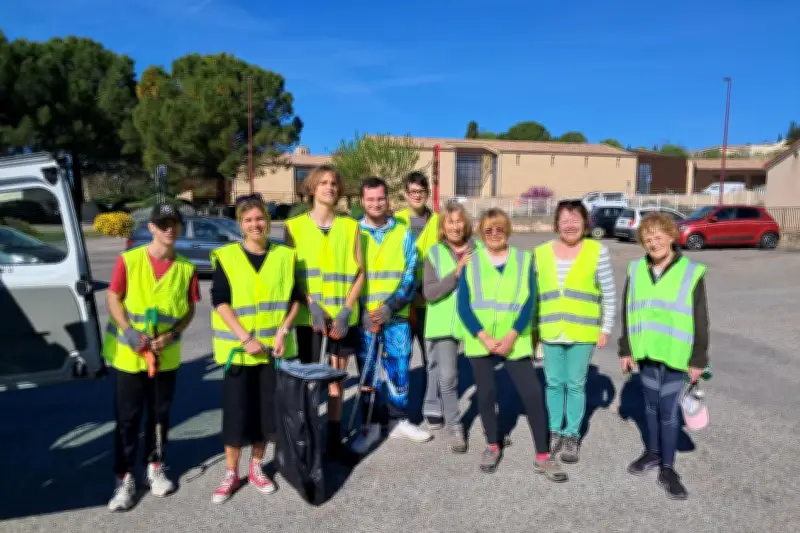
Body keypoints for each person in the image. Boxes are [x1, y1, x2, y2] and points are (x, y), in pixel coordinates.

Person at [457, 208, 567, 481]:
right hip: (480, 339)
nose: (495, 234)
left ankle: (543, 456)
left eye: (499, 228)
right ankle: (493, 445)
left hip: (514, 339)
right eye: (489, 230)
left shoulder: (523, 259)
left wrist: (511, 336)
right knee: (486, 393)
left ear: (507, 230)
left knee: (532, 395)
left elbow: (530, 301)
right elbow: (463, 306)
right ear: (481, 234)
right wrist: (485, 337)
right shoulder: (471, 262)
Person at [104, 203, 200, 511]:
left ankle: (155, 467)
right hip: (131, 357)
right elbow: (113, 297)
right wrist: (130, 332)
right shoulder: (129, 260)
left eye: (174, 223)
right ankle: (124, 478)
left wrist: (172, 334)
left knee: (160, 418)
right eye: (163, 223)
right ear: (152, 228)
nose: (169, 228)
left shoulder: (186, 267)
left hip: (165, 357)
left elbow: (189, 309)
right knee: (128, 420)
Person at [210, 196, 300, 504]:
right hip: (239, 351)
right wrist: (244, 337)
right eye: (248, 220)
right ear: (240, 225)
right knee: (236, 415)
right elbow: (220, 300)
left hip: (272, 353)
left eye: (259, 218)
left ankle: (257, 465)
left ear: (267, 220)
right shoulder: (226, 257)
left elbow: (295, 298)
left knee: (265, 416)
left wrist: (284, 330)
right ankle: (231, 472)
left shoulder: (285, 256)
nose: (255, 225)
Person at [618, 212, 709, 501]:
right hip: (646, 352)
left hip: (675, 354)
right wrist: (625, 349)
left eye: (659, 236)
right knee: (650, 407)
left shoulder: (690, 272)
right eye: (647, 238)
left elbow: (700, 317)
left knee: (669, 411)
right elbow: (627, 310)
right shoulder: (635, 270)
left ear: (671, 236)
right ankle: (653, 453)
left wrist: (698, 359)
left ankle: (668, 468)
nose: (653, 242)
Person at [284, 165, 364, 462]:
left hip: (341, 320)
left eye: (333, 183)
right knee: (312, 381)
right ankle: (308, 437)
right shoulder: (294, 227)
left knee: (336, 381)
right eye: (323, 183)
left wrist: (346, 311)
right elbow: (290, 274)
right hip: (311, 321)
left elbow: (360, 273)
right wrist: (311, 305)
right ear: (312, 189)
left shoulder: (351, 226)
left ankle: (332, 438)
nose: (329, 187)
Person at [349, 177, 433, 454]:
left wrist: (391, 307)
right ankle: (371, 426)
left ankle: (398, 421)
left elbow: (410, 273)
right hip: (365, 319)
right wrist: (361, 311)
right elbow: (347, 277)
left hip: (395, 315)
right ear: (362, 202)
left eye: (381, 199)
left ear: (388, 200)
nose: (376, 204)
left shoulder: (403, 232)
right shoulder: (352, 234)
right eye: (370, 199)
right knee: (369, 373)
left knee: (399, 368)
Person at [533, 199, 616, 464]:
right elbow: (535, 296)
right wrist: (534, 331)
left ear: (585, 223)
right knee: (554, 383)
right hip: (550, 328)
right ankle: (555, 430)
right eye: (564, 220)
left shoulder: (597, 251)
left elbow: (609, 294)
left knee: (576, 384)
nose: (569, 225)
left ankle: (572, 435)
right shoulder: (541, 252)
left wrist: (605, 327)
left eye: (575, 220)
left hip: (582, 330)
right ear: (556, 224)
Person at [421, 202, 476, 453]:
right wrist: (456, 274)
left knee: (486, 378)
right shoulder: (433, 253)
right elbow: (430, 293)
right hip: (444, 323)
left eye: (458, 220)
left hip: (476, 322)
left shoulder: (480, 250)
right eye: (449, 222)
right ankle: (455, 426)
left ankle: (491, 424)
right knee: (448, 377)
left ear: (466, 223)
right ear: (443, 227)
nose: (455, 226)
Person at [394, 172, 440, 427]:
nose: (417, 195)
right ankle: (403, 409)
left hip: (430, 300)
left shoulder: (438, 221)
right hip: (403, 301)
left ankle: (432, 404)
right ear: (405, 193)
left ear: (427, 192)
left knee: (431, 357)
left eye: (421, 191)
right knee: (401, 356)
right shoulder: (397, 221)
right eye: (412, 191)